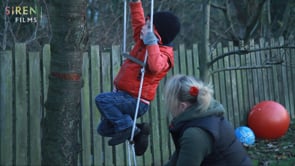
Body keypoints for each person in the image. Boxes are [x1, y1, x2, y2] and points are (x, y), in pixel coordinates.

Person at [95, 0, 180, 156]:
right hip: (123, 96)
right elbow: (138, 22)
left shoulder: (165, 55)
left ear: (157, 34)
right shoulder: (142, 42)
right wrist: (135, 4)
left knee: (102, 100)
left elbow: (154, 67)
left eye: (148, 26)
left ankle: (128, 127)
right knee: (103, 129)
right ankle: (137, 130)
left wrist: (151, 43)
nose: (143, 28)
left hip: (136, 101)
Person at [163, 75, 253, 166]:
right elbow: (177, 159)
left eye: (170, 103)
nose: (169, 108)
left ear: (182, 106)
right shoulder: (207, 116)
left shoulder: (195, 134)